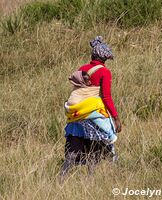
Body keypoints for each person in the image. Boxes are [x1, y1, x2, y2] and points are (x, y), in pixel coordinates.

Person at [60, 36, 122, 180]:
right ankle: (92, 179)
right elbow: (106, 96)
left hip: (77, 113)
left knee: (73, 149)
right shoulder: (105, 72)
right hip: (93, 113)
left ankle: (61, 178)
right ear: (104, 58)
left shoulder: (82, 69)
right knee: (98, 145)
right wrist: (116, 117)